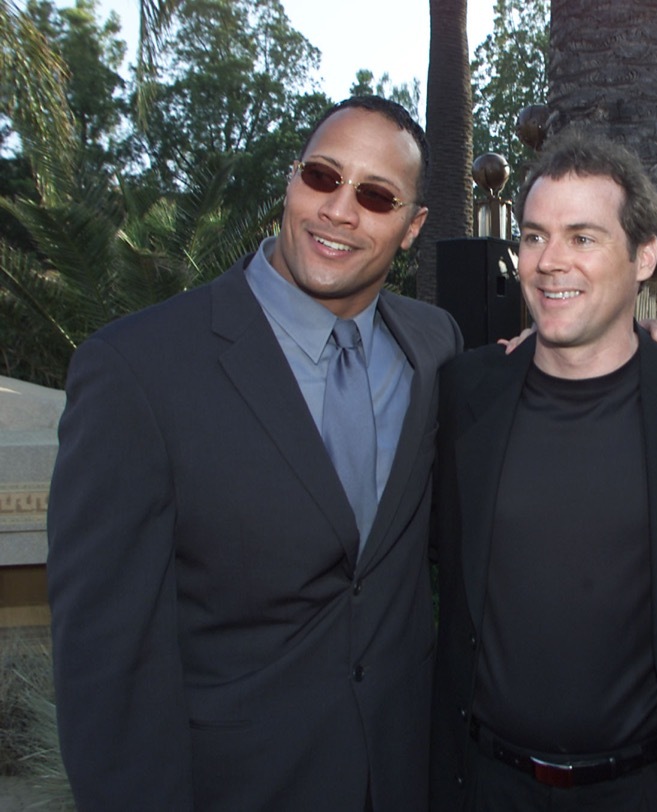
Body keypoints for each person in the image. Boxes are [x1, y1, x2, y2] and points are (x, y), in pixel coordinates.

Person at [46, 96, 460, 810]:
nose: (338, 210)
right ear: (291, 181)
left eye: (375, 195)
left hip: (402, 780)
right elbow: (105, 664)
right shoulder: (138, 370)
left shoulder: (434, 347)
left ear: (413, 227)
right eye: (323, 177)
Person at [428, 131, 657, 811]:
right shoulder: (464, 391)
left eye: (583, 238)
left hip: (652, 789)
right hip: (486, 787)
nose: (549, 262)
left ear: (644, 257)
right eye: (533, 237)